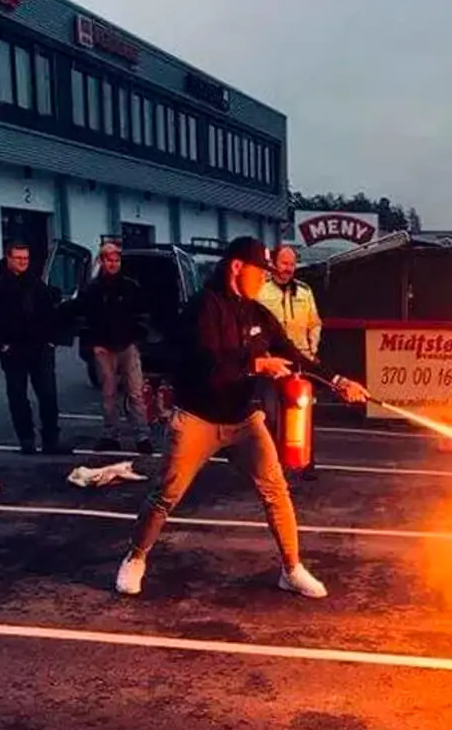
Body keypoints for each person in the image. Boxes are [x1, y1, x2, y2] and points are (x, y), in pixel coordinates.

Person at [115, 237, 367, 599]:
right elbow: (206, 367)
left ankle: (292, 569)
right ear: (237, 267)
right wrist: (256, 365)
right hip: (197, 418)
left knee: (275, 490)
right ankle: (135, 558)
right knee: (166, 493)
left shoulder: (256, 312)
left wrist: (338, 381)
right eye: (260, 272)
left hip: (243, 419)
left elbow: (292, 354)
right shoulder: (203, 308)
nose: (264, 280)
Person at [0, 240, 67, 455]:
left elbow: (51, 314)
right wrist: (0, 345)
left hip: (40, 349)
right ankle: (26, 440)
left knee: (48, 395)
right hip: (13, 350)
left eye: (25, 258)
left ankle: (51, 441)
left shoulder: (36, 284)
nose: (23, 262)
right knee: (17, 396)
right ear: (8, 258)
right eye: (18, 258)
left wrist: (52, 340)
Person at [74, 242, 152, 454]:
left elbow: (143, 316)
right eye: (109, 260)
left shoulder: (131, 287)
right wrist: (93, 344)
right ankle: (110, 436)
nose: (113, 264)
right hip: (103, 349)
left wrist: (137, 340)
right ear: (102, 261)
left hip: (128, 346)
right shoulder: (92, 289)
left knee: (135, 392)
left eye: (117, 260)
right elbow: (84, 319)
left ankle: (142, 436)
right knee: (109, 394)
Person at [256, 243, 324, 477]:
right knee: (272, 415)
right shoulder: (261, 291)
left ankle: (306, 463)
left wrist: (311, 351)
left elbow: (315, 323)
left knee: (303, 411)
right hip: (271, 363)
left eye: (292, 264)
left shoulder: (304, 291)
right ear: (273, 264)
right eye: (284, 263)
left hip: (300, 361)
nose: (288, 269)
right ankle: (274, 466)